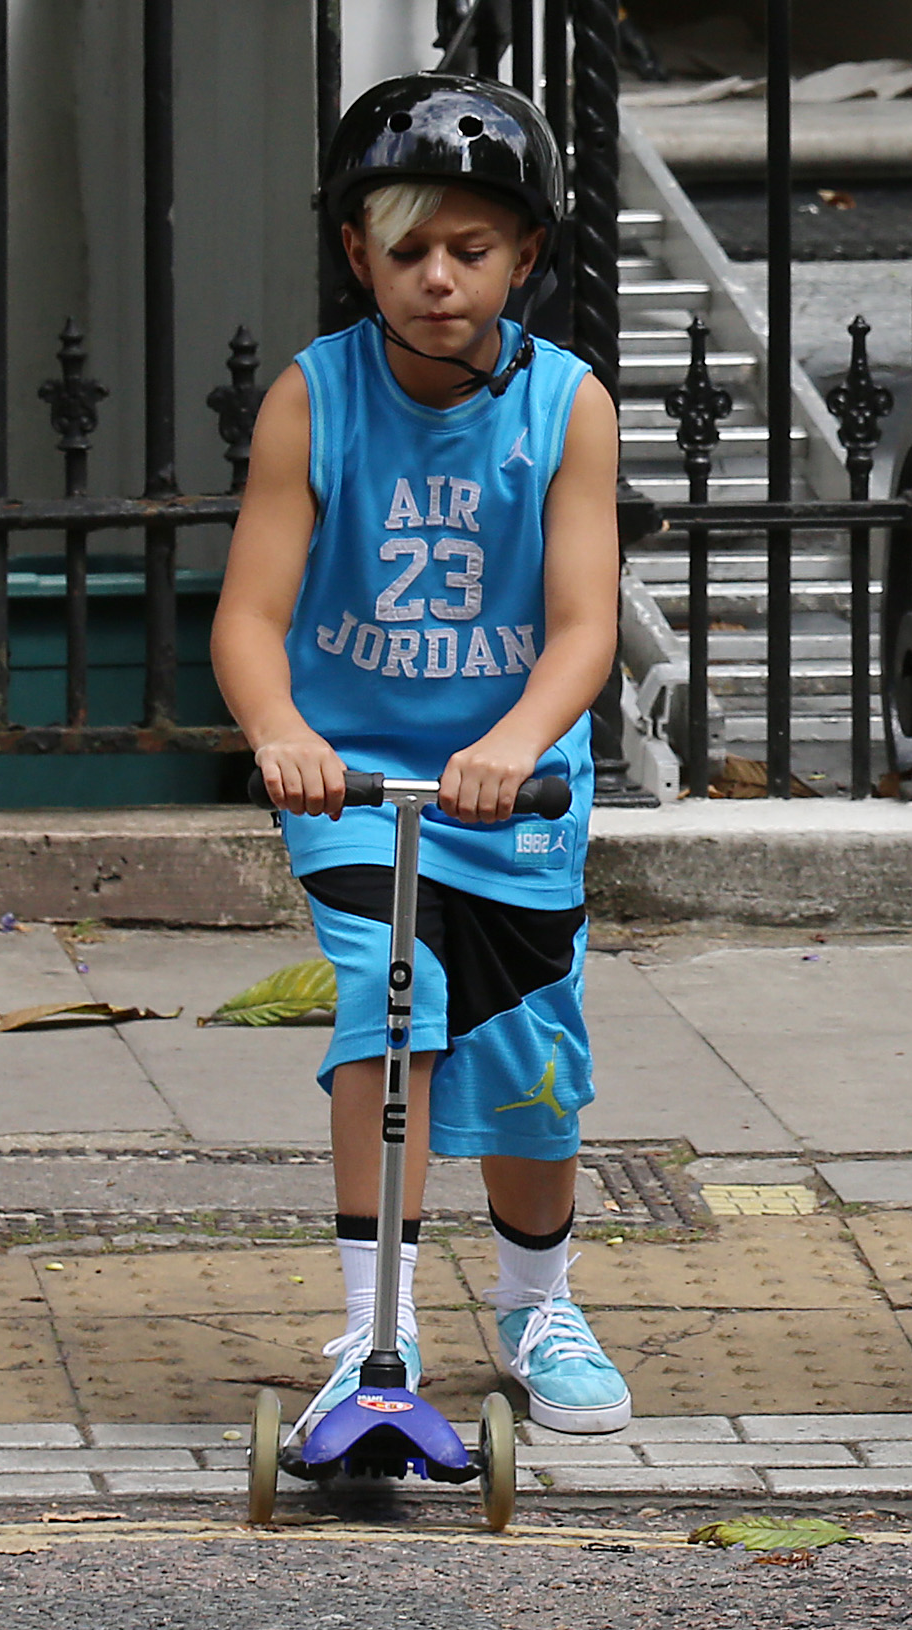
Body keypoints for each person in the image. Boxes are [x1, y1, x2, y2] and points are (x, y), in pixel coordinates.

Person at [211, 73, 633, 1445]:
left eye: (472, 250)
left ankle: (535, 1298)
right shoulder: (311, 400)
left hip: (514, 788)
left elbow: (581, 630)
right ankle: (375, 1319)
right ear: (358, 257)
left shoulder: (566, 405)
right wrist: (281, 732)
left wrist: (515, 744)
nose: (439, 280)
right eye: (408, 251)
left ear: (527, 257)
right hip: (356, 781)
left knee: (527, 1057)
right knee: (385, 1015)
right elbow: (252, 616)